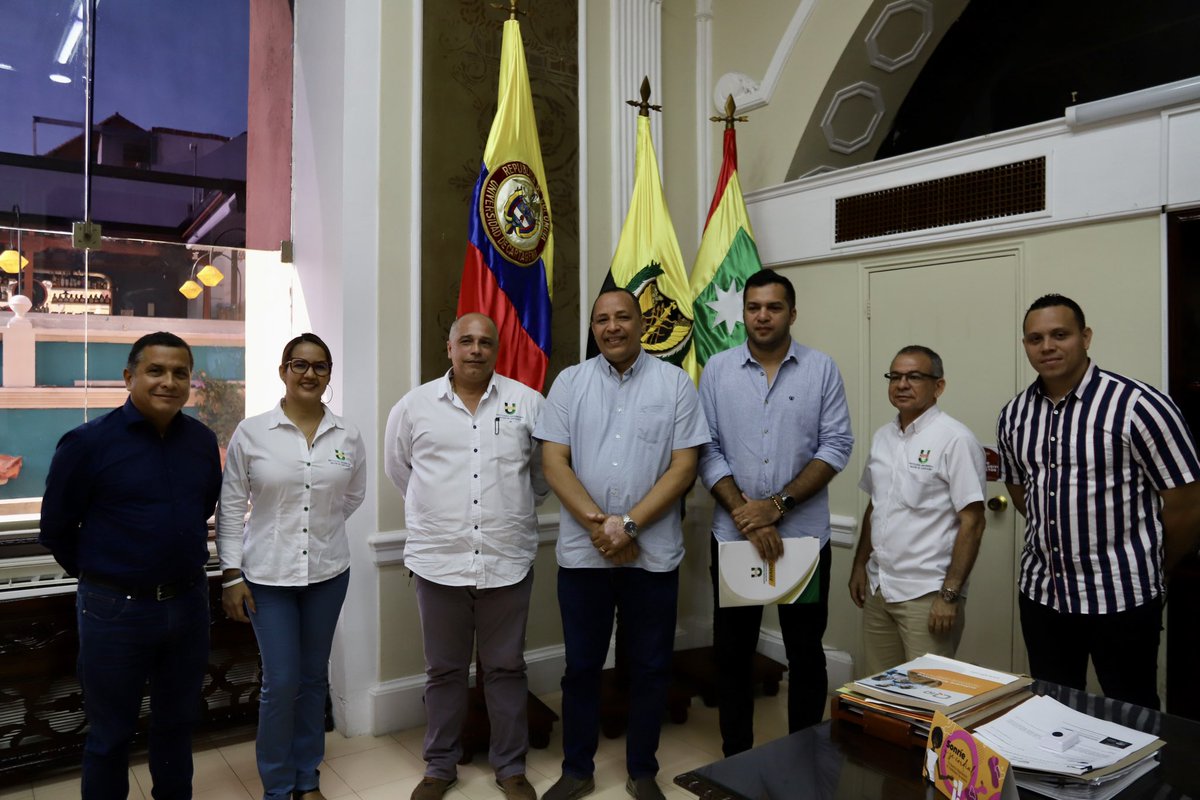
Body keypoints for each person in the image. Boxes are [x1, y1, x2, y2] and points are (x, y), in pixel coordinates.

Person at [535, 288, 709, 800]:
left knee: (651, 668)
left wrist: (628, 525)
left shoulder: (675, 384)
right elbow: (554, 462)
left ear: (640, 323)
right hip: (584, 556)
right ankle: (577, 769)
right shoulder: (569, 382)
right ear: (593, 328)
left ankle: (642, 770)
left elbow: (684, 467)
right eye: (602, 319)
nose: (612, 327)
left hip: (651, 558)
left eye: (623, 317)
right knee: (582, 668)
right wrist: (602, 525)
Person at [40, 331, 222, 800]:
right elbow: (56, 529)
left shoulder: (201, 442)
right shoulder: (87, 444)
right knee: (110, 734)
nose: (169, 382)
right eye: (155, 370)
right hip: (114, 611)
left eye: (180, 373)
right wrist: (107, 574)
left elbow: (202, 505)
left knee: (177, 725)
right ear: (129, 377)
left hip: (187, 604)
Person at [997, 293, 1200, 709]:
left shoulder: (1139, 405)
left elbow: (1188, 503)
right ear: (1025, 347)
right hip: (1043, 595)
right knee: (1050, 708)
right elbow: (1022, 491)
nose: (1047, 346)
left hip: (1122, 597)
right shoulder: (1014, 414)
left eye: (1060, 334)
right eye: (1036, 338)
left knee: (1132, 711)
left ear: (1085, 337)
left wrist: (1150, 565)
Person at [384, 313, 548, 800]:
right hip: (439, 562)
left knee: (506, 667)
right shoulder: (414, 408)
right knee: (444, 671)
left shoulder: (527, 403)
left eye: (486, 342)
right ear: (449, 347)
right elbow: (403, 473)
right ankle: (439, 766)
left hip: (507, 558)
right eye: (466, 341)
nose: (476, 350)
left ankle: (511, 767)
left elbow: (541, 477)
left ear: (497, 349)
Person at [697, 268, 853, 756]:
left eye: (774, 307)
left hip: (803, 543)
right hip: (733, 537)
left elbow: (836, 445)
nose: (762, 316)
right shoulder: (718, 370)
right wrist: (747, 513)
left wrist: (777, 506)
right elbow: (706, 449)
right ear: (743, 312)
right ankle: (736, 760)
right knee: (733, 655)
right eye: (753, 307)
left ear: (792, 313)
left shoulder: (821, 368)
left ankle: (802, 760)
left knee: (806, 654)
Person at [218, 332, 366, 800]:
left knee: (312, 677)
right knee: (281, 683)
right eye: (298, 364)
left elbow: (353, 496)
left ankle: (308, 780)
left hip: (328, 575)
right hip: (267, 579)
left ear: (328, 376)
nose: (309, 374)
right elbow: (230, 506)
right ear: (283, 371)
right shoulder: (253, 432)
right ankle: (278, 787)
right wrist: (231, 574)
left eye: (320, 366)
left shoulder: (348, 435)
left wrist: (315, 530)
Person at [849, 345, 986, 675]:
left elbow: (973, 522)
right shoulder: (883, 437)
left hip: (927, 595)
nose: (901, 384)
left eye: (914, 376)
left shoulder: (955, 439)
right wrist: (859, 564)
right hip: (880, 586)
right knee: (881, 692)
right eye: (895, 376)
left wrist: (949, 596)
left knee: (927, 698)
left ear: (938, 386)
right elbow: (876, 506)